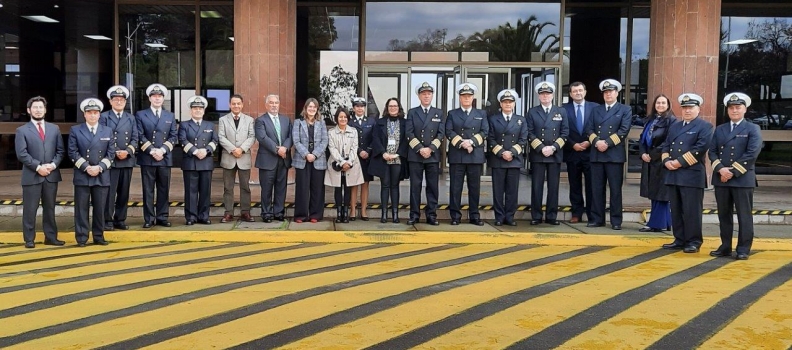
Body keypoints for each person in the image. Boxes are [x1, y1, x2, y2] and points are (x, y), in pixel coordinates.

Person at [709, 92, 762, 260]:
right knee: (723, 214)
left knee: (743, 215)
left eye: (738, 107)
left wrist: (732, 172)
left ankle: (743, 248)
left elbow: (752, 153)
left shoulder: (752, 128)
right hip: (721, 178)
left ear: (745, 109)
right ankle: (725, 246)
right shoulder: (720, 129)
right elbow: (712, 152)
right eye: (731, 108)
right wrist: (721, 170)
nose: (734, 111)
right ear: (727, 110)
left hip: (742, 178)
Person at [660, 93, 713, 253]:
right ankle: (679, 239)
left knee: (692, 211)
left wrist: (678, 162)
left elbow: (700, 149)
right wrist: (666, 161)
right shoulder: (675, 125)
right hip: (673, 174)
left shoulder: (705, 126)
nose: (687, 111)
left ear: (698, 108)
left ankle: (693, 241)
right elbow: (666, 145)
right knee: (676, 210)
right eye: (684, 108)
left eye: (691, 107)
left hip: (691, 175)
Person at [16, 96, 65, 248]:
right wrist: (38, 167)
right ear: (29, 110)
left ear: (45, 110)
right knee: (30, 209)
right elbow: (22, 154)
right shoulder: (22, 130)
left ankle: (51, 237)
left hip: (51, 175)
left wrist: (52, 165)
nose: (38, 110)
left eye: (41, 107)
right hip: (32, 176)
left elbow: (60, 151)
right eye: (35, 107)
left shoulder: (54, 128)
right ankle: (29, 239)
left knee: (50, 208)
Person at [584, 79, 632, 230]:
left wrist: (607, 143)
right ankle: (597, 219)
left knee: (615, 190)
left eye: (611, 91)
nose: (608, 94)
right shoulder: (595, 110)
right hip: (597, 154)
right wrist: (597, 142)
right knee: (597, 188)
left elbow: (624, 131)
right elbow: (589, 129)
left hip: (614, 155)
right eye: (605, 92)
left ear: (617, 93)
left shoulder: (625, 109)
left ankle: (616, 220)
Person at [68, 98, 114, 246]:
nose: (93, 115)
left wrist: (99, 167)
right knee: (81, 208)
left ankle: (99, 236)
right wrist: (87, 167)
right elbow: (72, 152)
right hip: (83, 174)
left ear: (100, 115)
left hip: (101, 174)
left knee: (100, 209)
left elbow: (110, 154)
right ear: (84, 114)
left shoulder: (107, 130)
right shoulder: (76, 130)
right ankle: (81, 237)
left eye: (95, 113)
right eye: (89, 113)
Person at [445, 83, 488, 226]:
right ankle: (455, 216)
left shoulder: (481, 114)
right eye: (464, 96)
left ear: (473, 98)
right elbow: (449, 131)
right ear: (459, 98)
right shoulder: (452, 113)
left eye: (469, 96)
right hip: (457, 155)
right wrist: (462, 143)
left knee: (474, 188)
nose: (466, 98)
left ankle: (474, 215)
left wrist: (471, 143)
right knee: (455, 187)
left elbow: (485, 131)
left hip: (474, 155)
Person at [526, 82, 569, 225]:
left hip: (555, 155)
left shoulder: (561, 111)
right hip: (538, 155)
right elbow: (529, 133)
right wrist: (541, 148)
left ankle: (551, 216)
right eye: (542, 93)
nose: (545, 96)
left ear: (552, 95)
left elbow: (565, 133)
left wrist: (553, 148)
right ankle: (536, 216)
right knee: (536, 187)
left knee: (553, 187)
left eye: (548, 93)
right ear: (538, 96)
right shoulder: (532, 111)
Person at [136, 83, 178, 228]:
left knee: (163, 189)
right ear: (149, 98)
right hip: (148, 158)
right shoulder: (141, 114)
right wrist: (153, 151)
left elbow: (174, 136)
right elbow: (139, 135)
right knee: (148, 189)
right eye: (154, 96)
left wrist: (162, 151)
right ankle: (149, 218)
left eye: (160, 96)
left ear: (163, 98)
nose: (157, 99)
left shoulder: (170, 116)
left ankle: (162, 217)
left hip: (164, 158)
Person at [405, 82, 445, 225]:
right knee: (415, 186)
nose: (426, 96)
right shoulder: (412, 112)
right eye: (424, 94)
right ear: (419, 96)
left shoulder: (439, 112)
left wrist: (430, 149)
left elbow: (441, 134)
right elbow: (408, 133)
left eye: (429, 93)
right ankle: (414, 215)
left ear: (432, 95)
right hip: (416, 155)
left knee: (432, 186)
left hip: (432, 156)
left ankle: (431, 215)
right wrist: (420, 148)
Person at [487, 89, 528, 226]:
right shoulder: (493, 119)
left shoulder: (521, 120)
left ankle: (510, 216)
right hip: (498, 159)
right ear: (501, 104)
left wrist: (511, 153)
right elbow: (490, 139)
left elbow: (523, 139)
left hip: (514, 160)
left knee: (512, 191)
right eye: (505, 102)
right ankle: (499, 217)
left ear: (514, 104)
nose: (508, 104)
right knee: (498, 191)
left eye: (510, 102)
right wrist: (502, 152)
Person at [100, 85, 138, 231]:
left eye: (121, 99)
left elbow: (135, 138)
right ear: (110, 101)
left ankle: (120, 219)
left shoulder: (130, 118)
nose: (119, 102)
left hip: (127, 160)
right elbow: (102, 137)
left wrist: (128, 151)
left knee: (124, 192)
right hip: (111, 161)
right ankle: (107, 220)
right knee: (110, 192)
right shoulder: (104, 117)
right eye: (116, 99)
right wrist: (115, 151)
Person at [638, 94, 676, 232]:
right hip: (649, 161)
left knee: (661, 194)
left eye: (663, 103)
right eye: (658, 103)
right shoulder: (651, 120)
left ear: (668, 105)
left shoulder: (671, 120)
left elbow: (669, 141)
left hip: (661, 161)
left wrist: (652, 155)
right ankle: (664, 222)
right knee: (654, 193)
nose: (660, 105)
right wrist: (642, 153)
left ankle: (655, 224)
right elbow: (642, 138)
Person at [178, 95, 218, 225]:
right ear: (191, 110)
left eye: (200, 108)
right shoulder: (184, 125)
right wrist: (195, 151)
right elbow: (182, 140)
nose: (197, 110)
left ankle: (204, 216)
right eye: (195, 108)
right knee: (191, 192)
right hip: (191, 162)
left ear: (204, 110)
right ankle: (191, 217)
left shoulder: (210, 125)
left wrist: (205, 151)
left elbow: (215, 141)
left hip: (205, 162)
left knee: (205, 192)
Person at [563, 82, 598, 223]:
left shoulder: (595, 107)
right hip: (572, 152)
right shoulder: (563, 109)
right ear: (570, 94)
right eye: (575, 91)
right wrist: (573, 144)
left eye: (580, 90)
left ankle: (591, 214)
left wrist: (590, 141)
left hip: (590, 152)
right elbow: (562, 130)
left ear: (585, 92)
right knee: (574, 184)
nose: (578, 93)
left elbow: (598, 127)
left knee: (592, 185)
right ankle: (576, 213)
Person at [218, 94, 257, 223]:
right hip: (228, 157)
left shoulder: (249, 120)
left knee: (245, 187)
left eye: (238, 103)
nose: (236, 106)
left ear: (242, 104)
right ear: (230, 105)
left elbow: (252, 136)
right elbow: (221, 137)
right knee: (228, 187)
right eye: (233, 104)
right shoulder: (223, 119)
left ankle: (245, 212)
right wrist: (233, 149)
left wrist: (241, 149)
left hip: (243, 157)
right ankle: (228, 212)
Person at [369, 97, 408, 223]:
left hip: (397, 159)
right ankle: (384, 214)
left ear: (399, 108)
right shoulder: (379, 122)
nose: (393, 108)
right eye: (390, 106)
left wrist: (397, 154)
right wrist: (383, 153)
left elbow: (406, 140)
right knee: (385, 186)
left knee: (395, 186)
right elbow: (375, 139)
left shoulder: (404, 123)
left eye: (395, 106)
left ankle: (395, 214)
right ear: (387, 108)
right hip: (384, 158)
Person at [255, 94, 293, 222]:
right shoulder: (260, 120)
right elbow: (262, 138)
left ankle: (279, 212)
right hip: (267, 160)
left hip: (283, 160)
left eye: (276, 102)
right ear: (266, 105)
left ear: (279, 104)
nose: (274, 105)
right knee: (266, 188)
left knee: (281, 187)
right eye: (271, 103)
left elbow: (290, 136)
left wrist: (285, 148)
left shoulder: (286, 120)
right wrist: (278, 149)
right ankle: (266, 213)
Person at [292, 98, 328, 223]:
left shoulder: (321, 123)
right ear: (305, 109)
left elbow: (325, 141)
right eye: (310, 107)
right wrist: (307, 154)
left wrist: (315, 154)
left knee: (317, 189)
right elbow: (296, 141)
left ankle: (315, 215)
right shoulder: (298, 122)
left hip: (318, 160)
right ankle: (300, 215)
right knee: (302, 188)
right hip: (302, 159)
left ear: (317, 109)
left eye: (314, 107)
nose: (312, 109)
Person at [326, 107, 365, 223]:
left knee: (348, 188)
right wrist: (342, 162)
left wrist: (349, 162)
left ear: (348, 118)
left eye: (345, 117)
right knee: (338, 188)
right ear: (337, 119)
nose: (343, 119)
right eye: (340, 117)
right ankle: (339, 213)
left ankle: (346, 212)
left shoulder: (353, 131)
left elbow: (354, 148)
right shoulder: (331, 132)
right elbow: (332, 148)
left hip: (351, 164)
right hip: (336, 163)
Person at [348, 96, 375, 221]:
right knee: (354, 184)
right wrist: (359, 151)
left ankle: (363, 211)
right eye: (357, 106)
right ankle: (353, 210)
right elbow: (348, 140)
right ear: (353, 108)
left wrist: (368, 151)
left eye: (362, 106)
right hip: (354, 157)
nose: (360, 108)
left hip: (367, 158)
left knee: (365, 185)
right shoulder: (349, 122)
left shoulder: (371, 121)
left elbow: (375, 139)